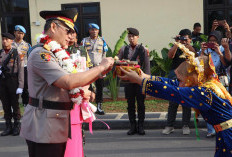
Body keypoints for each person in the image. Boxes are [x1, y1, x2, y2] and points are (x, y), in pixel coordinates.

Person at [20, 9, 114, 157]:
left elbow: (76, 81)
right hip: (44, 127)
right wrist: (100, 67)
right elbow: (67, 82)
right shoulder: (41, 54)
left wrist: (100, 73)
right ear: (53, 27)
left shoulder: (58, 54)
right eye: (67, 31)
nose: (70, 36)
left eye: (72, 32)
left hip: (58, 123)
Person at [119, 42, 232, 157]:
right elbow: (173, 83)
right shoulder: (204, 83)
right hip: (224, 133)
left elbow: (173, 91)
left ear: (194, 76)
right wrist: (146, 77)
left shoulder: (204, 92)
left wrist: (140, 82)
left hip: (228, 135)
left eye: (182, 80)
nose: (180, 83)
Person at [117, 27, 150, 135]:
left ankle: (141, 126)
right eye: (129, 36)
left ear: (137, 37)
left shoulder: (143, 49)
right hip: (128, 81)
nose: (131, 38)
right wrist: (121, 62)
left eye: (133, 36)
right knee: (130, 104)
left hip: (140, 80)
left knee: (141, 103)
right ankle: (132, 126)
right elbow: (117, 61)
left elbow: (147, 65)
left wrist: (147, 80)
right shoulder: (123, 49)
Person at [163, 29, 196, 135]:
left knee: (186, 103)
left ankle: (185, 125)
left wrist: (187, 45)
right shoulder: (177, 48)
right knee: (173, 103)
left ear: (190, 39)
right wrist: (177, 44)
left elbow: (194, 55)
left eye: (186, 38)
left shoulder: (192, 48)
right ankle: (169, 125)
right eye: (182, 38)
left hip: (187, 79)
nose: (183, 40)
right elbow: (170, 56)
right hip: (175, 78)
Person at [199, 30, 231, 137]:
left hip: (220, 81)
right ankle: (211, 129)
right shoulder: (204, 50)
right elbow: (199, 64)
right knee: (208, 104)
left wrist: (219, 52)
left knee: (221, 104)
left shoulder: (222, 49)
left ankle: (223, 128)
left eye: (214, 41)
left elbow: (226, 64)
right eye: (210, 41)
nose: (212, 43)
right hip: (208, 81)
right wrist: (203, 52)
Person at [0, 33, 24, 136]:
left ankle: (17, 126)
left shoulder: (16, 53)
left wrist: (21, 86)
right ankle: (8, 126)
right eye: (3, 39)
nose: (4, 41)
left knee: (15, 105)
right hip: (2, 81)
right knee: (5, 105)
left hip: (13, 80)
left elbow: (21, 70)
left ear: (11, 41)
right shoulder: (0, 53)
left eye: (6, 39)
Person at [81, 23, 108, 115]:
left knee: (100, 87)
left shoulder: (102, 41)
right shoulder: (84, 41)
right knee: (87, 87)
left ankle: (99, 106)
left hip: (99, 68)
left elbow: (104, 54)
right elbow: (82, 53)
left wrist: (104, 66)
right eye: (92, 30)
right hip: (88, 68)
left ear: (98, 31)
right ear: (89, 31)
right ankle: (87, 106)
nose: (94, 31)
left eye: (96, 30)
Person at [12, 25, 31, 107]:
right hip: (13, 68)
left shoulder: (27, 45)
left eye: (22, 33)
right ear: (14, 33)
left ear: (24, 35)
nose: (20, 35)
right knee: (13, 86)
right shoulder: (10, 44)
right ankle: (14, 105)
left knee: (25, 87)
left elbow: (30, 57)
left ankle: (25, 104)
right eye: (18, 33)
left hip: (24, 68)